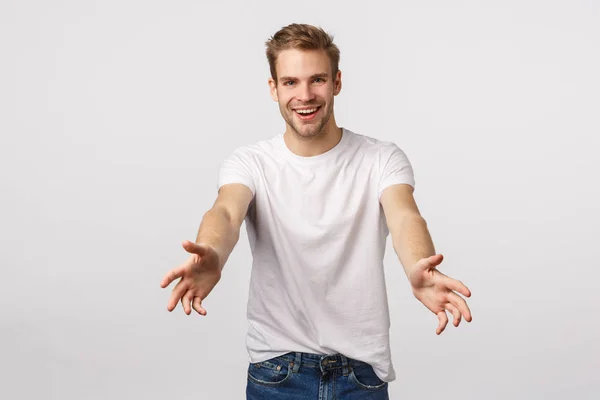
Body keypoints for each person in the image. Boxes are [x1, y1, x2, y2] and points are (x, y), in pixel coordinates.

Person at [160, 23, 473, 400]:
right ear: (273, 88)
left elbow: (405, 215)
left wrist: (420, 265)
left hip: (361, 376)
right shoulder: (251, 162)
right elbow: (226, 212)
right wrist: (211, 251)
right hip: (277, 371)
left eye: (317, 80)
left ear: (337, 82)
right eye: (290, 82)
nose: (305, 95)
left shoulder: (381, 158)